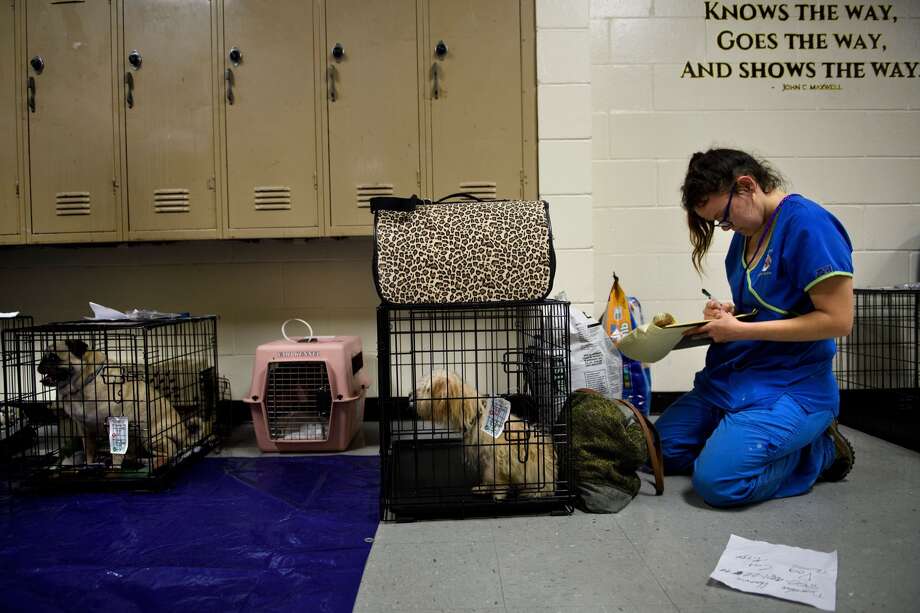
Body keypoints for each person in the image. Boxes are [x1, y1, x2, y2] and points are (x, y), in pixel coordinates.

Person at [655, 148, 856, 507]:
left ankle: (819, 450)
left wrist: (741, 331)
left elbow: (838, 321)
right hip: (739, 376)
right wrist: (728, 314)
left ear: (746, 186)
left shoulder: (808, 226)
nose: (725, 228)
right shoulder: (746, 236)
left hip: (791, 386)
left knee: (719, 484)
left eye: (723, 218)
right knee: (657, 452)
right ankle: (737, 441)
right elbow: (767, 308)